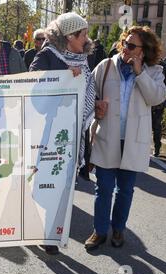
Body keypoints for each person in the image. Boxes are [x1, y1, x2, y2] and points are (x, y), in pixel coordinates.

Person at [84, 26, 166, 250]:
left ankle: (118, 229)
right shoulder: (106, 66)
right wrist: (96, 106)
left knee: (126, 190)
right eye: (124, 43)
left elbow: (156, 97)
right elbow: (88, 93)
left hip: (133, 140)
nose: (125, 49)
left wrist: (140, 72)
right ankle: (99, 231)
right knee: (103, 188)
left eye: (131, 46)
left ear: (144, 50)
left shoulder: (153, 72)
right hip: (107, 136)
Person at [30, 12, 104, 255]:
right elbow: (32, 88)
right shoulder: (48, 55)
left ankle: (52, 231)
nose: (86, 37)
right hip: (47, 132)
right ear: (69, 36)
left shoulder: (83, 58)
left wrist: (97, 104)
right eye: (82, 34)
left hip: (71, 133)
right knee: (45, 183)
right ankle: (42, 229)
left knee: (63, 184)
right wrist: (62, 78)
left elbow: (86, 91)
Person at [151, 59, 166, 157]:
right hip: (144, 101)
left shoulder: (162, 65)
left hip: (158, 103)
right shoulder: (143, 62)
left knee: (156, 126)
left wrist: (163, 89)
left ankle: (157, 148)